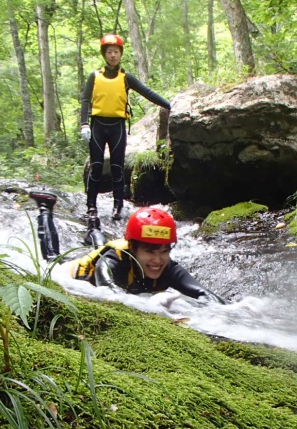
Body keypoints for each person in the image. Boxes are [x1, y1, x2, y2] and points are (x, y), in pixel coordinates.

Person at [27, 193, 223, 302]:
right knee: (52, 259)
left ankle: (93, 227)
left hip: (112, 252)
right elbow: (107, 290)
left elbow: (204, 294)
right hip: (73, 271)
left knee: (104, 245)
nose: (158, 260)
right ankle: (45, 209)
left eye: (164, 251)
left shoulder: (168, 267)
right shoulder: (113, 260)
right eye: (150, 251)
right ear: (133, 248)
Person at [80, 34, 171, 224]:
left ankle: (118, 206)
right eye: (109, 52)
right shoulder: (94, 76)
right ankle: (91, 206)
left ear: (120, 54)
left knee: (117, 168)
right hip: (97, 125)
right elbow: (85, 100)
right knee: (96, 167)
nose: (113, 55)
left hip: (117, 127)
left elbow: (147, 92)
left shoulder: (126, 77)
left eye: (116, 52)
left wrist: (169, 105)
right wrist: (84, 124)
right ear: (104, 55)